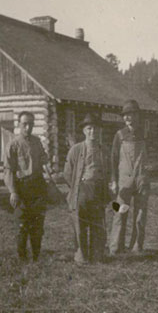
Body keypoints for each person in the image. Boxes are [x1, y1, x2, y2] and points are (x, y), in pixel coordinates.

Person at [4, 111, 51, 262]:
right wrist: (13, 192)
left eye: (31, 124)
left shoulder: (37, 142)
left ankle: (36, 257)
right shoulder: (13, 144)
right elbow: (8, 170)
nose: (28, 127)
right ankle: (23, 259)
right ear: (19, 124)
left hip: (37, 186)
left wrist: (46, 158)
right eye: (25, 124)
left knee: (37, 225)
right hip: (22, 188)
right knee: (22, 224)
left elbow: (43, 158)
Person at [64, 113, 110, 264]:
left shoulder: (103, 150)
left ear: (100, 131)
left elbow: (108, 171)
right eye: (89, 128)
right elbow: (68, 173)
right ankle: (81, 256)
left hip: (98, 190)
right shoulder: (76, 150)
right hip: (81, 190)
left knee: (97, 224)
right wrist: (77, 187)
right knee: (80, 225)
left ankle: (97, 255)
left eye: (95, 129)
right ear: (84, 131)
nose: (93, 132)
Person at [109, 99, 151, 255]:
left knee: (140, 214)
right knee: (119, 212)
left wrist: (148, 169)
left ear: (137, 115)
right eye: (125, 115)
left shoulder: (145, 134)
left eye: (130, 114)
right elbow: (113, 158)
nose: (127, 118)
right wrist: (113, 180)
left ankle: (136, 246)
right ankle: (115, 247)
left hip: (142, 179)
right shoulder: (119, 135)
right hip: (123, 179)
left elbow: (153, 152)